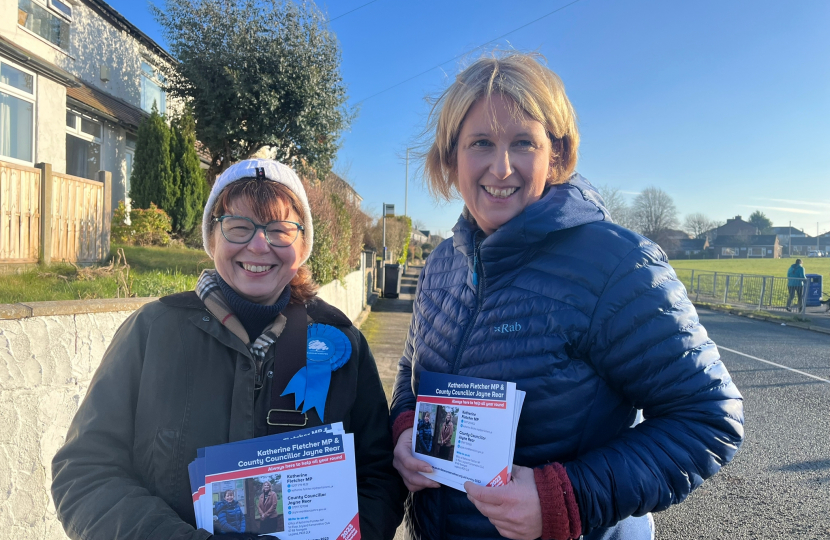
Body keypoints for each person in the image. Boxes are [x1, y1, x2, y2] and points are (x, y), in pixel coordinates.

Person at [390, 53, 744, 540]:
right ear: (452, 157)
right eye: (481, 143)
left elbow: (708, 417)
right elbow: (411, 370)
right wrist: (406, 427)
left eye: (522, 143)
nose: (502, 166)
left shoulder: (616, 263)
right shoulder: (442, 264)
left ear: (555, 154)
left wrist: (566, 498)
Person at [51, 158, 404, 540]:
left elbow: (378, 478)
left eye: (280, 231)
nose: (258, 245)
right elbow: (84, 472)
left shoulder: (342, 343)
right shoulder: (151, 331)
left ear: (302, 246)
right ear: (212, 238)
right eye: (239, 227)